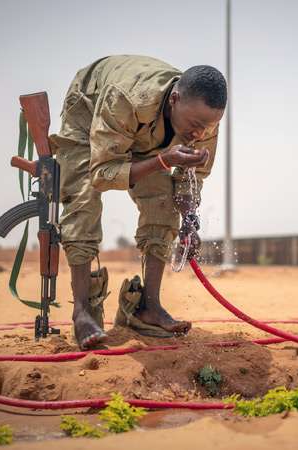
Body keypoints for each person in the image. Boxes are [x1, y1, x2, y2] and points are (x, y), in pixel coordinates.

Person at [48, 55, 227, 349]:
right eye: (195, 125)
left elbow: (191, 179)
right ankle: (82, 311)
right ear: (175, 99)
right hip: (91, 110)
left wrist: (189, 222)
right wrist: (161, 160)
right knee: (82, 201)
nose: (199, 134)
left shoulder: (204, 120)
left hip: (144, 133)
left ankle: (148, 308)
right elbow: (102, 174)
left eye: (207, 128)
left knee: (163, 203)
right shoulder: (127, 99)